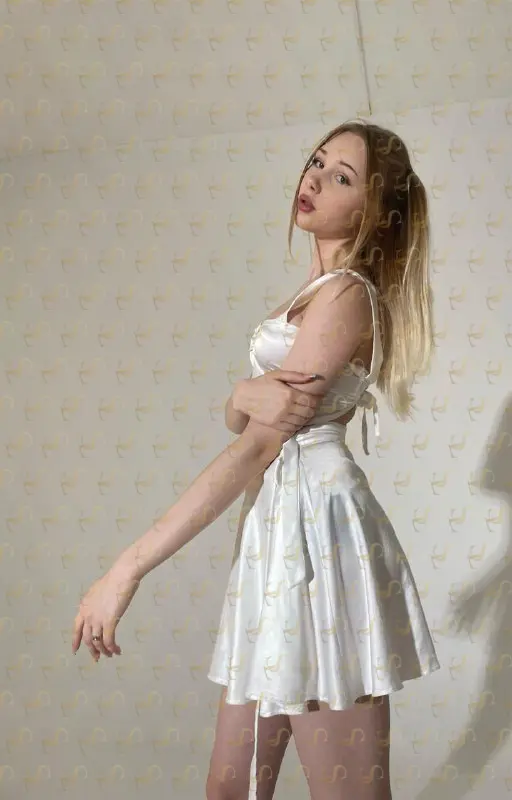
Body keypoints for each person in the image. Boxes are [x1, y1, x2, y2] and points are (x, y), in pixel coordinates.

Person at [72, 119, 441, 799]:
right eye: (316, 161)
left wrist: (126, 569)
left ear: (371, 210)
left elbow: (259, 444)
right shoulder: (308, 297)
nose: (314, 178)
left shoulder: (346, 296)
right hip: (277, 530)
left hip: (316, 538)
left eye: (341, 176)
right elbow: (254, 416)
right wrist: (239, 396)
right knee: (229, 788)